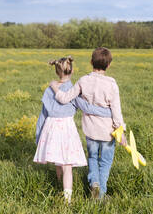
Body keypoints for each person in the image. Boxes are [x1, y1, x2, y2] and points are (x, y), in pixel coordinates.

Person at [50, 47, 127, 200]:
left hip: (90, 130)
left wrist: (54, 88)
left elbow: (65, 98)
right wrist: (121, 130)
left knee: (92, 157)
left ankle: (95, 183)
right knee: (105, 162)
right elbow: (116, 110)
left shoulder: (83, 80)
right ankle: (100, 194)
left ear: (91, 62)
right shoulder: (111, 84)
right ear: (109, 65)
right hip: (108, 131)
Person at [34, 56, 112, 204]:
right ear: (72, 70)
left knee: (58, 161)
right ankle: (67, 199)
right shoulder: (74, 89)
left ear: (57, 71)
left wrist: (38, 136)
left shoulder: (49, 90)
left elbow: (42, 115)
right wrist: (108, 112)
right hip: (66, 129)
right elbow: (87, 108)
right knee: (67, 165)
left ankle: (59, 187)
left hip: (50, 128)